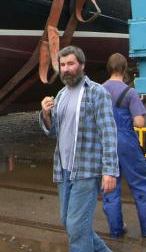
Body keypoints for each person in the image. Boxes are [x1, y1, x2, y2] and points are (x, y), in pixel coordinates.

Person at [40, 45, 119, 252]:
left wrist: (109, 170)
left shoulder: (97, 93)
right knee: (69, 222)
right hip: (64, 169)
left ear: (82, 65)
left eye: (71, 64)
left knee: (76, 226)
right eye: (62, 64)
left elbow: (108, 132)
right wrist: (47, 115)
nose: (66, 69)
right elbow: (54, 132)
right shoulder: (60, 95)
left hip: (86, 169)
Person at [101, 53, 146, 238]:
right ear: (124, 68)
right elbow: (139, 123)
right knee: (140, 185)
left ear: (109, 68)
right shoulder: (130, 93)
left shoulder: (99, 90)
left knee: (110, 186)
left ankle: (116, 229)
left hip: (106, 142)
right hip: (126, 142)